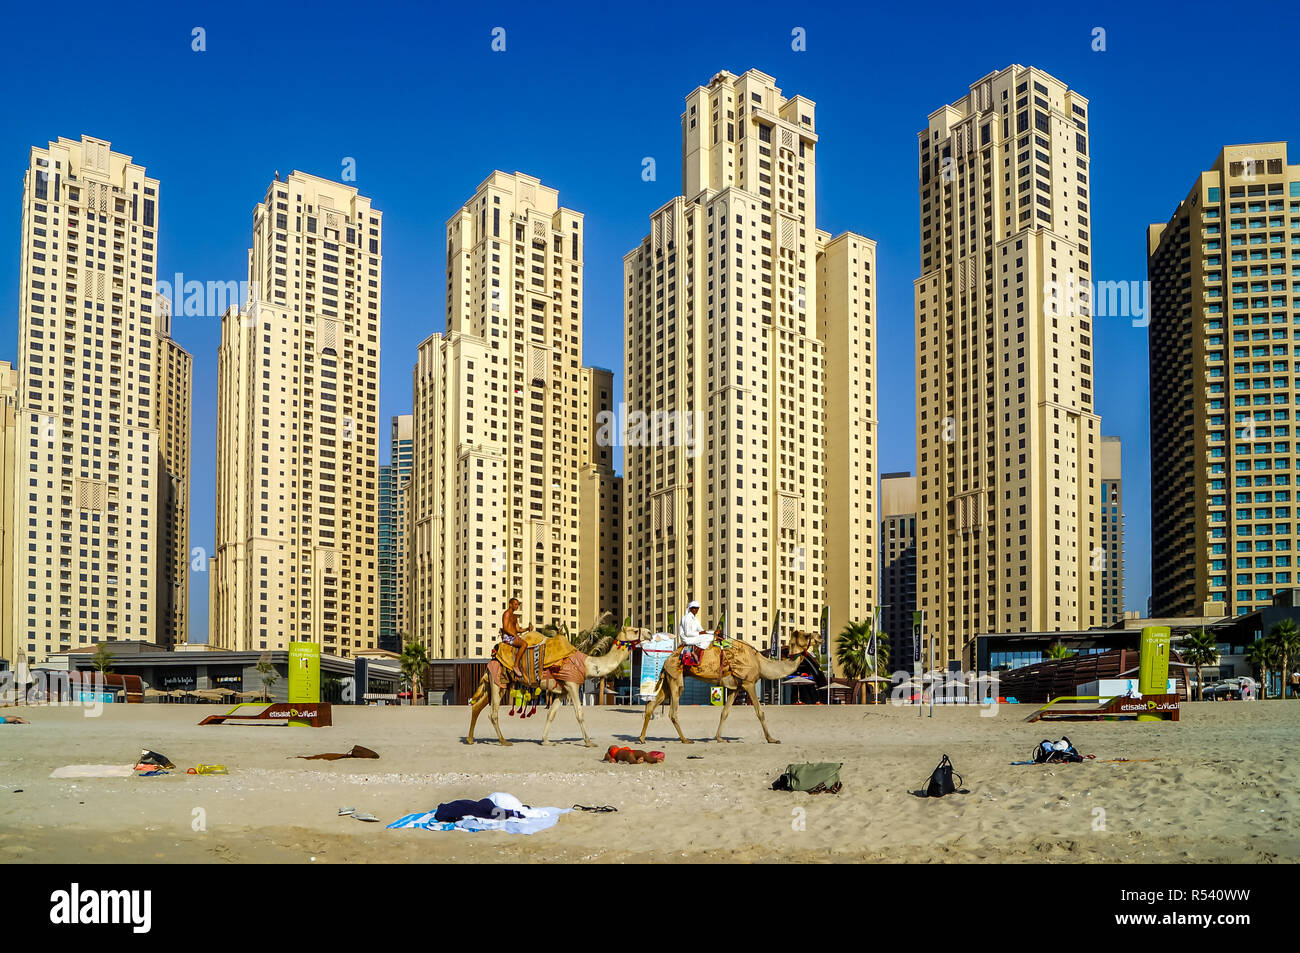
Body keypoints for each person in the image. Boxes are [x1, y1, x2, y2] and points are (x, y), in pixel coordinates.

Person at [678, 601, 716, 667]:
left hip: (694, 637)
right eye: (694, 608)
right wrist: (700, 633)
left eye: (697, 608)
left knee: (711, 636)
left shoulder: (695, 619)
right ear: (690, 609)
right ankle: (695, 653)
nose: (696, 610)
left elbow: (702, 630)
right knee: (710, 638)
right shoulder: (686, 618)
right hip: (688, 639)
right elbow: (688, 633)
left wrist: (713, 632)